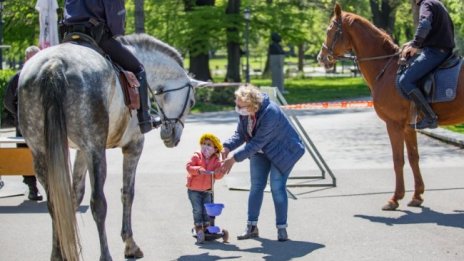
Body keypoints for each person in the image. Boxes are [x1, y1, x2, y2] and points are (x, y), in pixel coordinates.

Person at [219, 85, 305, 242]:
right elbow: (241, 133)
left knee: (276, 187)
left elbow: (257, 142)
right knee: (256, 186)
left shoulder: (270, 112)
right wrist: (227, 146)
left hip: (283, 151)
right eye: (236, 104)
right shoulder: (246, 112)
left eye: (241, 106)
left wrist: (234, 158)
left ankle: (281, 228)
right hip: (261, 151)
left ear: (252, 105)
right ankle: (251, 227)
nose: (238, 109)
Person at [62, 0, 158, 134]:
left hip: (69, 37)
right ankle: (145, 120)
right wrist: (117, 32)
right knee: (138, 69)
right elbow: (116, 22)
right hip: (97, 37)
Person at [398, 0, 455, 129]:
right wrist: (413, 42)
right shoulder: (436, 3)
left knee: (405, 81)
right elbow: (435, 32)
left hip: (435, 52)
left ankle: (430, 117)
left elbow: (424, 24)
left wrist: (415, 45)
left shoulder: (426, 4)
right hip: (443, 50)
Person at [3, 46, 43, 201]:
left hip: (44, 127)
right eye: (32, 58)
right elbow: (8, 101)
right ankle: (32, 188)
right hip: (24, 127)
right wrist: (19, 116)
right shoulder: (19, 77)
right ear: (26, 59)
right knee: (26, 157)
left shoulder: (46, 77)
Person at [186, 133, 226, 243]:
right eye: (203, 144)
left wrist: (220, 171)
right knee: (197, 209)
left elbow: (217, 176)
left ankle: (207, 226)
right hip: (194, 190)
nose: (205, 146)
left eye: (209, 145)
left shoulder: (216, 160)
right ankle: (199, 226)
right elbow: (189, 167)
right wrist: (198, 169)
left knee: (207, 210)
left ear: (215, 148)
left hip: (208, 190)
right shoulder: (197, 156)